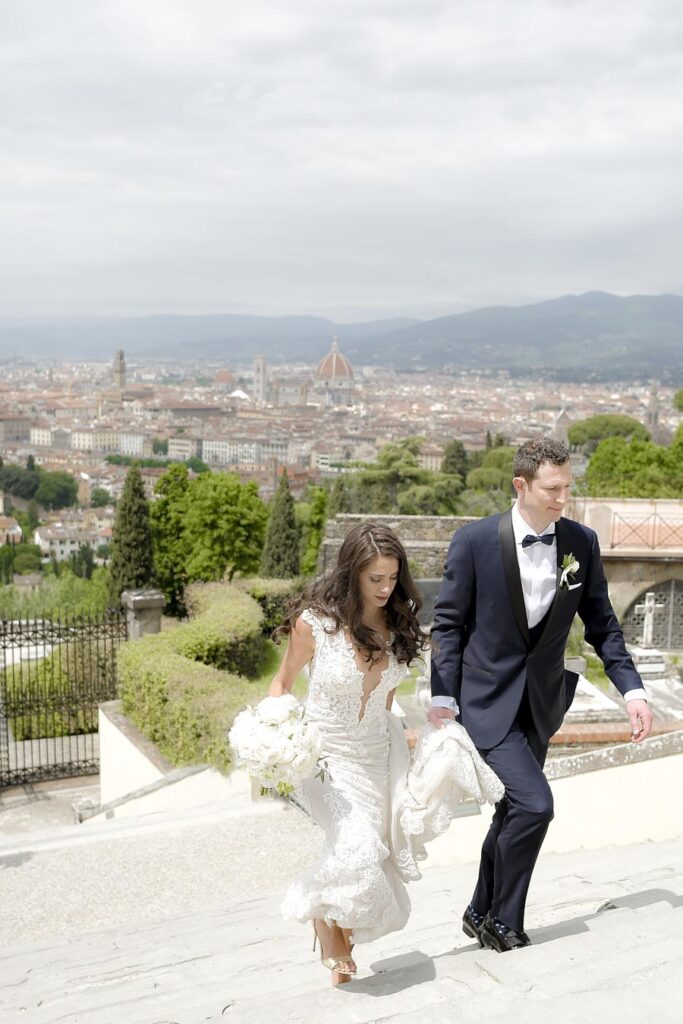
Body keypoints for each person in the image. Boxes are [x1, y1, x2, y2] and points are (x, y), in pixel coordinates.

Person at [429, 437, 653, 952]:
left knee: (512, 808)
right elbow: (447, 627)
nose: (562, 499)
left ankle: (479, 907)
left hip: (542, 702)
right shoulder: (474, 541)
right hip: (485, 701)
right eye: (552, 489)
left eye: (567, 488)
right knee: (535, 805)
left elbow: (604, 626)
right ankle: (504, 921)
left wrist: (633, 692)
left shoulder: (582, 542)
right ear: (521, 485)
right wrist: (444, 696)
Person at [268, 521, 501, 985]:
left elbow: (387, 702)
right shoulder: (314, 624)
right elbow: (282, 683)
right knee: (355, 845)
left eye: (393, 578)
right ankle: (326, 926)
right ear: (352, 573)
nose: (385, 587)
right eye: (375, 578)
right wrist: (272, 737)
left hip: (381, 755)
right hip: (326, 758)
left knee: (376, 857)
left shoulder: (397, 627)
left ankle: (340, 929)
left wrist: (420, 738)